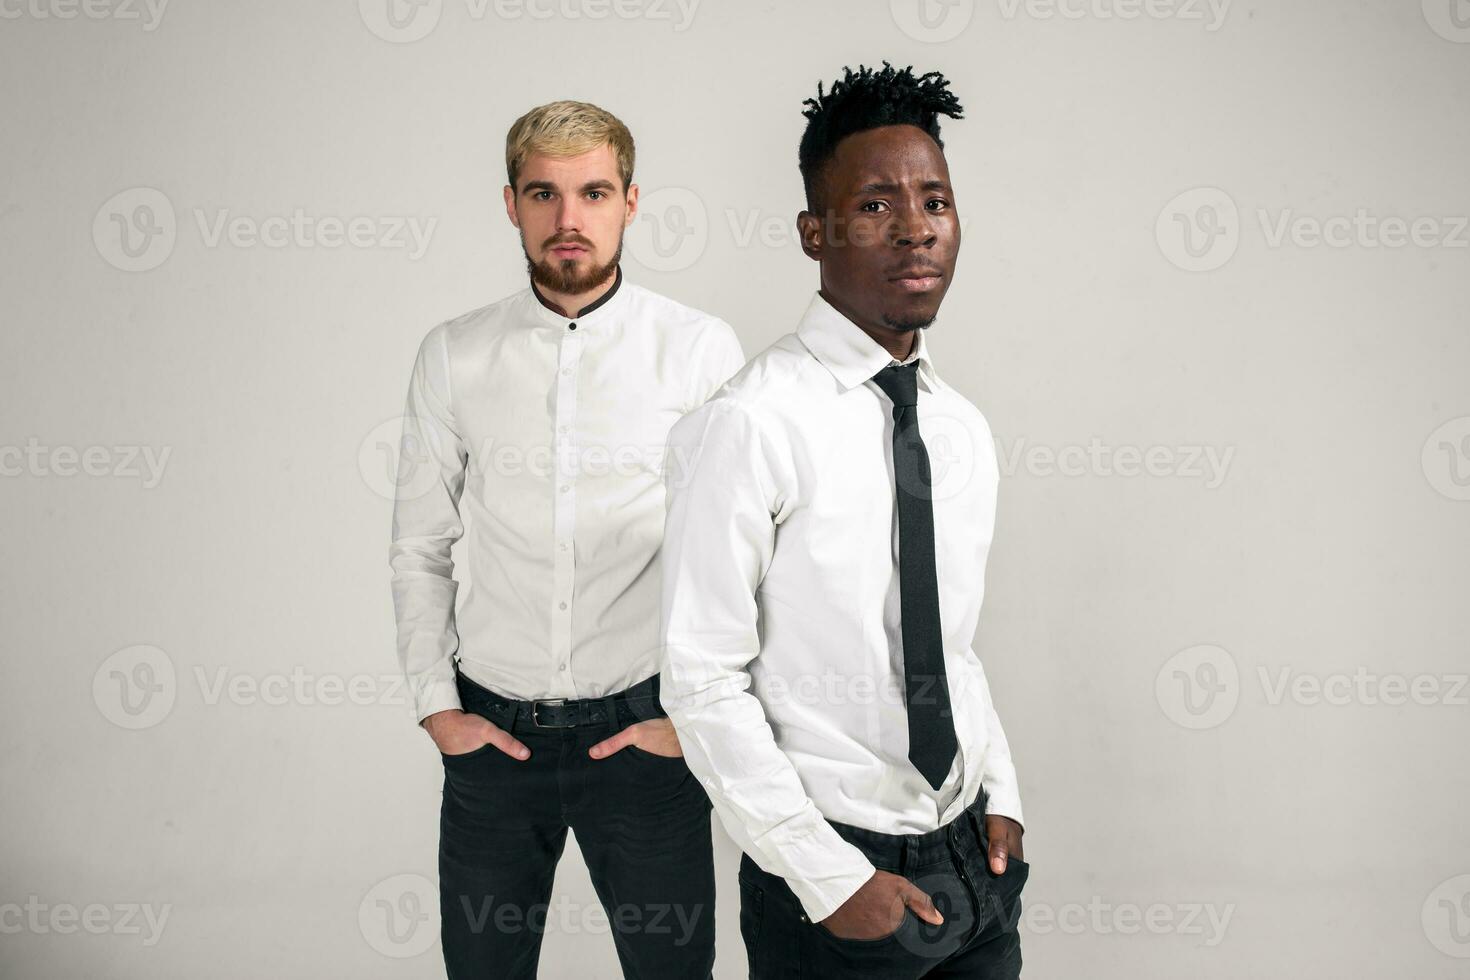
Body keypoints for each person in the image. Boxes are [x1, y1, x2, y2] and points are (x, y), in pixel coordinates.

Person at [659, 64, 1028, 978]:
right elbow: (701, 680)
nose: (914, 228)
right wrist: (829, 880)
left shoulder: (960, 427)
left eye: (934, 199)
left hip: (974, 873)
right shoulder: (749, 423)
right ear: (812, 232)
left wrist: (1002, 796)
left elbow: (953, 646)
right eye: (873, 206)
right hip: (834, 886)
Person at [389, 99, 744, 980]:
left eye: (593, 192)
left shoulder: (698, 352)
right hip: (492, 745)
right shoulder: (453, 355)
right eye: (544, 194)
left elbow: (742, 557)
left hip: (645, 739)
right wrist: (439, 706)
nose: (569, 218)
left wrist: (685, 716)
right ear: (511, 204)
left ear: (631, 200)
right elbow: (419, 545)